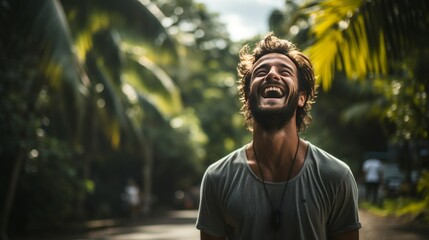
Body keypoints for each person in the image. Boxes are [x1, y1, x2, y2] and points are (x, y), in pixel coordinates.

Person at [196, 33, 361, 240]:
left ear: (301, 97)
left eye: (284, 71)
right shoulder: (218, 177)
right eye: (261, 71)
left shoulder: (336, 175)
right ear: (248, 97)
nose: (272, 75)